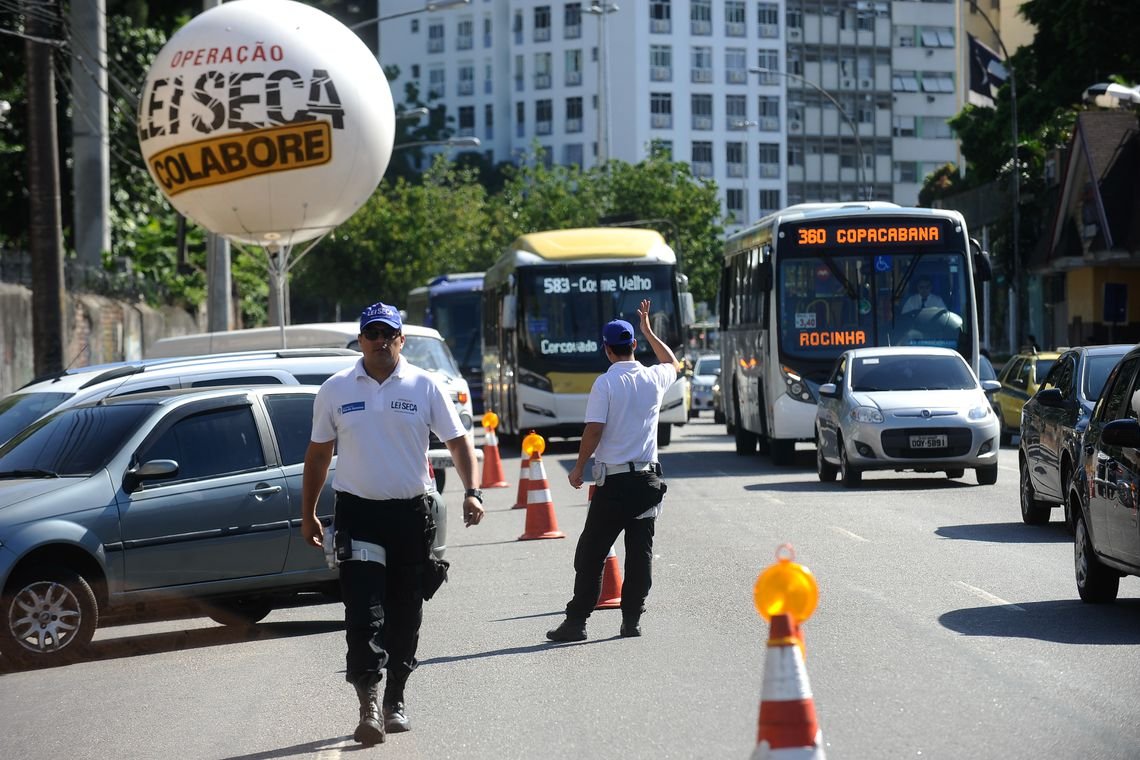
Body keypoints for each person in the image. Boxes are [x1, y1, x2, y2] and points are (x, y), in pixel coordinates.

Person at [300, 301, 485, 746]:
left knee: (406, 613)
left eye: (389, 335)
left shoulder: (425, 386)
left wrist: (472, 490)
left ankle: (396, 697)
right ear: (360, 341)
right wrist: (307, 513)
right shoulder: (336, 389)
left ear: (401, 339)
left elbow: (458, 441)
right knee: (363, 613)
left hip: (410, 515)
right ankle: (368, 702)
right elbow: (319, 455)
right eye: (373, 334)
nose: (381, 342)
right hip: (359, 514)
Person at [546, 298, 677, 642]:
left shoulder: (605, 383)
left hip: (614, 484)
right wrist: (649, 329)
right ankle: (631, 620)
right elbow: (673, 362)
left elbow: (594, 430)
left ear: (606, 349)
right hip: (648, 480)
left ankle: (576, 622)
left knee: (591, 554)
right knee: (639, 554)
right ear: (633, 345)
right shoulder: (653, 378)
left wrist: (578, 468)